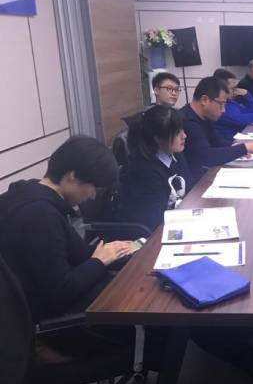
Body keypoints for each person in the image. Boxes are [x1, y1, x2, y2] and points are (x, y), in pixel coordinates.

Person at [0, 136, 133, 322]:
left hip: (37, 302)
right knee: (131, 299)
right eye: (93, 187)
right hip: (49, 317)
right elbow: (61, 291)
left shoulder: (30, 194)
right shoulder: (40, 216)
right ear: (72, 176)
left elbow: (66, 254)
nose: (93, 196)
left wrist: (112, 254)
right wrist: (99, 261)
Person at [119, 106, 195, 232]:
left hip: (180, 219)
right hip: (156, 232)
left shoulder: (175, 155)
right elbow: (154, 219)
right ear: (158, 138)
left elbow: (190, 187)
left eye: (182, 130)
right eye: (177, 133)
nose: (184, 136)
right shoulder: (144, 170)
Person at [180, 76, 253, 181]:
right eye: (221, 104)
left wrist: (240, 149)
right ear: (204, 100)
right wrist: (245, 148)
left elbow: (219, 143)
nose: (223, 110)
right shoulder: (187, 121)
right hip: (193, 183)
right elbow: (206, 157)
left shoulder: (205, 116)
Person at [212, 68, 253, 145]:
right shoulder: (219, 106)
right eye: (232, 88)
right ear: (221, 88)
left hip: (239, 138)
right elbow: (238, 119)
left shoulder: (231, 102)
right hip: (229, 144)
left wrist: (247, 94)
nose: (235, 90)